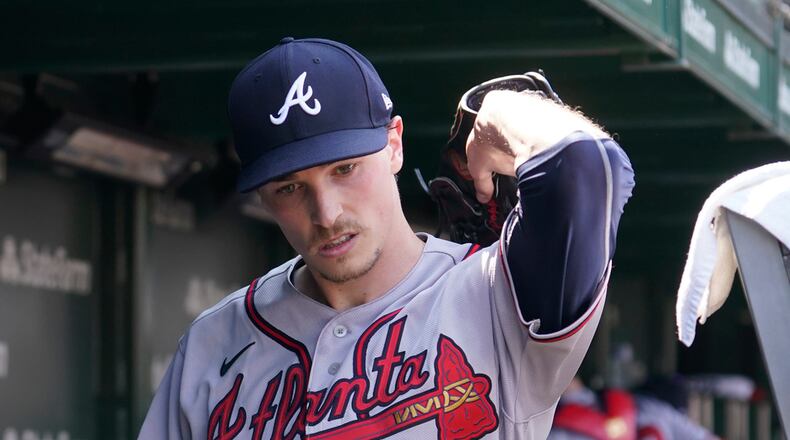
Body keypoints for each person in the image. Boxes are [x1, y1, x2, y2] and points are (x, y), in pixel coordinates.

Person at [138, 37, 635, 439]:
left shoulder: (497, 296)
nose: (327, 214)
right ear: (263, 195)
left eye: (345, 168)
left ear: (394, 143)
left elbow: (589, 167)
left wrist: (499, 115)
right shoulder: (212, 344)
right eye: (290, 187)